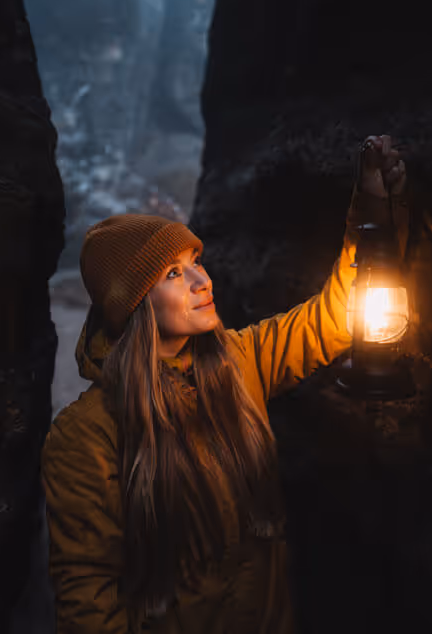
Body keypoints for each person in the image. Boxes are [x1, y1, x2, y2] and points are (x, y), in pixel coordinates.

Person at [42, 135, 406, 633]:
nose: (201, 281)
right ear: (134, 306)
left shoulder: (240, 361)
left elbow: (337, 317)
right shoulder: (85, 437)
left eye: (196, 261)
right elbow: (89, 600)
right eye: (173, 273)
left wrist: (373, 210)